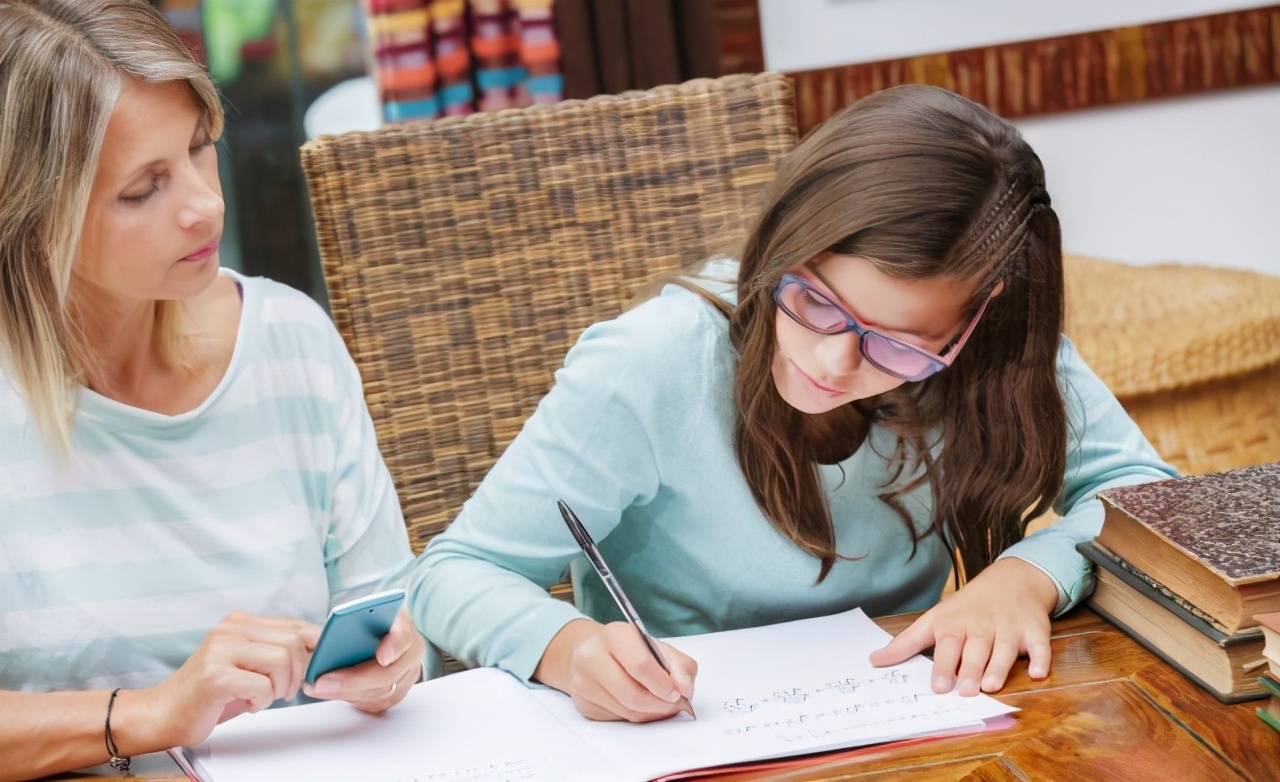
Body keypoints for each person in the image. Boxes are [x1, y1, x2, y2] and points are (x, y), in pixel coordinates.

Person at [407, 83, 1178, 723]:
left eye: (899, 345)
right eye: (815, 301)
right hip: (682, 734)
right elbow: (455, 570)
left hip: (909, 724)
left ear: (979, 320)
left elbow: (1155, 505)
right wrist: (569, 648)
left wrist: (1028, 574)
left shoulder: (991, 355)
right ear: (783, 243)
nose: (832, 361)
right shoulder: (651, 364)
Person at [0, 2, 425, 779]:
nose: (206, 204)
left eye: (201, 150)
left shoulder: (292, 345)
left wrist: (393, 665)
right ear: (29, 215)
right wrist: (154, 713)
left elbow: (390, 617)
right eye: (142, 189)